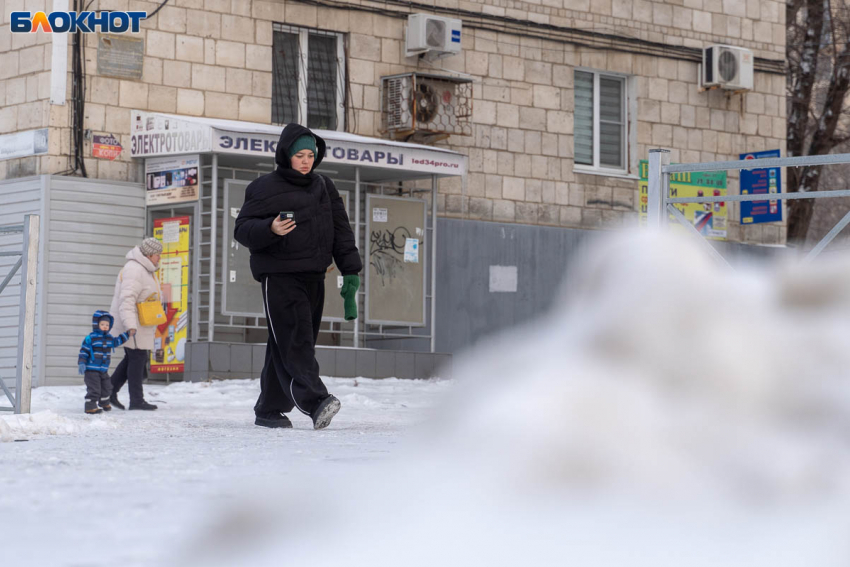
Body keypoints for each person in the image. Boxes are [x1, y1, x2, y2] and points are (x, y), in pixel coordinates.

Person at [235, 123, 362, 430]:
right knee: (296, 342)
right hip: (280, 277)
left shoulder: (323, 186)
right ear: (286, 155)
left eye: (311, 155)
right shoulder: (264, 188)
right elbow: (242, 229)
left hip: (313, 277)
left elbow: (341, 231)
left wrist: (350, 269)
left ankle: (268, 408)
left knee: (287, 343)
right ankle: (316, 401)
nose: (306, 161)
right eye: (300, 155)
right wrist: (270, 229)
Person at [108, 237, 163, 411]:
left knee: (132, 358)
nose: (159, 258)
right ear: (148, 254)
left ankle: (108, 392)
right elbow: (127, 300)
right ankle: (136, 400)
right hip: (133, 323)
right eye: (157, 254)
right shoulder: (135, 270)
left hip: (140, 322)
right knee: (137, 358)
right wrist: (130, 325)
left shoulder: (145, 269)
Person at [77, 310, 133, 414]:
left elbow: (117, 342)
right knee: (94, 389)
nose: (105, 326)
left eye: (107, 324)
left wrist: (127, 334)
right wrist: (81, 362)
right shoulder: (91, 338)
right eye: (102, 324)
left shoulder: (109, 338)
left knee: (107, 386)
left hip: (103, 369)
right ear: (96, 324)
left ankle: (104, 403)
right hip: (91, 370)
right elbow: (84, 351)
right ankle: (90, 406)